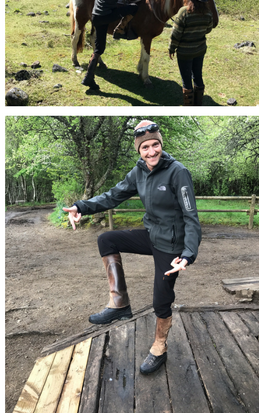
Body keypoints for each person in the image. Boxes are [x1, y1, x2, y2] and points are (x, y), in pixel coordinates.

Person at [61, 120, 201, 375]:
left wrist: (188, 254)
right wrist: (81, 206)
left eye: (155, 145)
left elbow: (191, 216)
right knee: (107, 239)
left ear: (161, 144)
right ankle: (120, 303)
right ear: (139, 150)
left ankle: (160, 346)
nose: (151, 151)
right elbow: (112, 195)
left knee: (161, 300)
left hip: (171, 247)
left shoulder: (178, 171)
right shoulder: (139, 172)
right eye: (145, 147)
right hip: (151, 235)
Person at [82, 0, 150, 90]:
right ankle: (120, 28)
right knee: (133, 8)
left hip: (96, 16)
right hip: (107, 16)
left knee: (99, 48)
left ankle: (88, 78)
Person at [168, 0, 215, 106]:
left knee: (186, 79)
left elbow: (176, 34)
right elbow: (208, 29)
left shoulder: (184, 12)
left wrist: (171, 48)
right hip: (200, 50)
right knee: (198, 75)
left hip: (184, 53)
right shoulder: (208, 13)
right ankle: (198, 103)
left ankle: (188, 105)